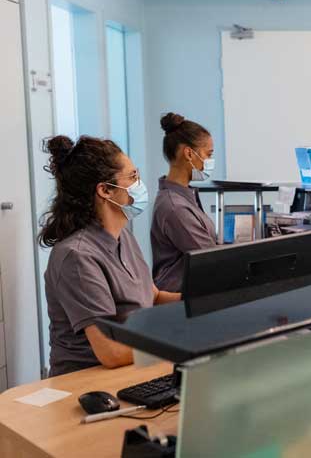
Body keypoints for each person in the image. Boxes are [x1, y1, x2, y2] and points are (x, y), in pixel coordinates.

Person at [40, 135, 180, 377]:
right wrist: (181, 339)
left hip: (130, 369)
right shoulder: (77, 256)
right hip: (87, 382)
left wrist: (204, 301)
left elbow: (153, 296)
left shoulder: (123, 237)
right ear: (105, 190)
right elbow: (111, 352)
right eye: (133, 177)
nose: (140, 184)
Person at [150, 113, 217, 292]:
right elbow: (211, 259)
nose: (210, 161)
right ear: (189, 153)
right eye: (208, 154)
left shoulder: (185, 196)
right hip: (178, 299)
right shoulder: (175, 207)